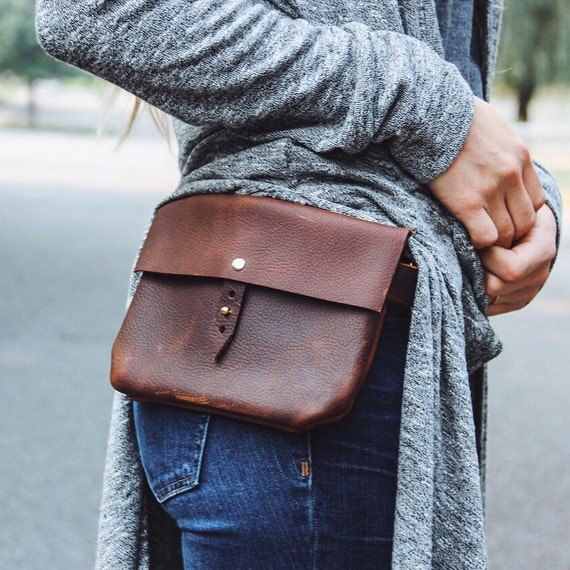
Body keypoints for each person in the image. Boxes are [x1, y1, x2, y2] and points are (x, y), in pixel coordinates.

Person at [36, 0, 561, 568]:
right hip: (304, 364)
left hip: (341, 341)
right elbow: (94, 13)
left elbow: (458, 101)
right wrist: (427, 105)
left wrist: (530, 201)